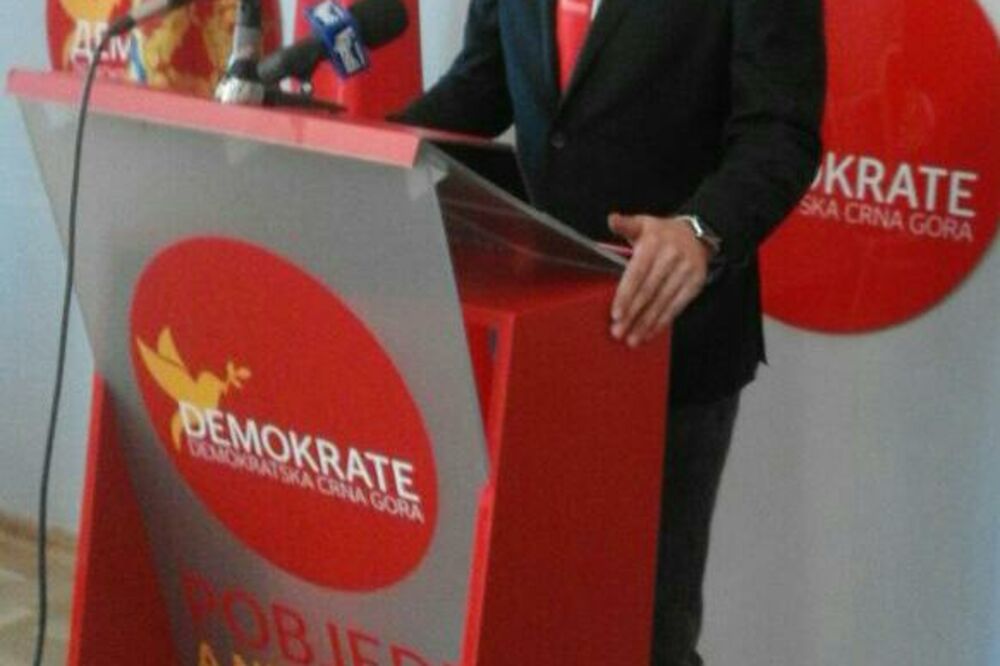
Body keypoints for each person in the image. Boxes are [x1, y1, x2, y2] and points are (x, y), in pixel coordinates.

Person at [393, 0, 825, 662]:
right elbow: (481, 85)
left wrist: (701, 229)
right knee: (532, 616)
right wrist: (363, 148)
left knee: (645, 634)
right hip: (533, 339)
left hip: (667, 337)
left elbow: (780, 131)